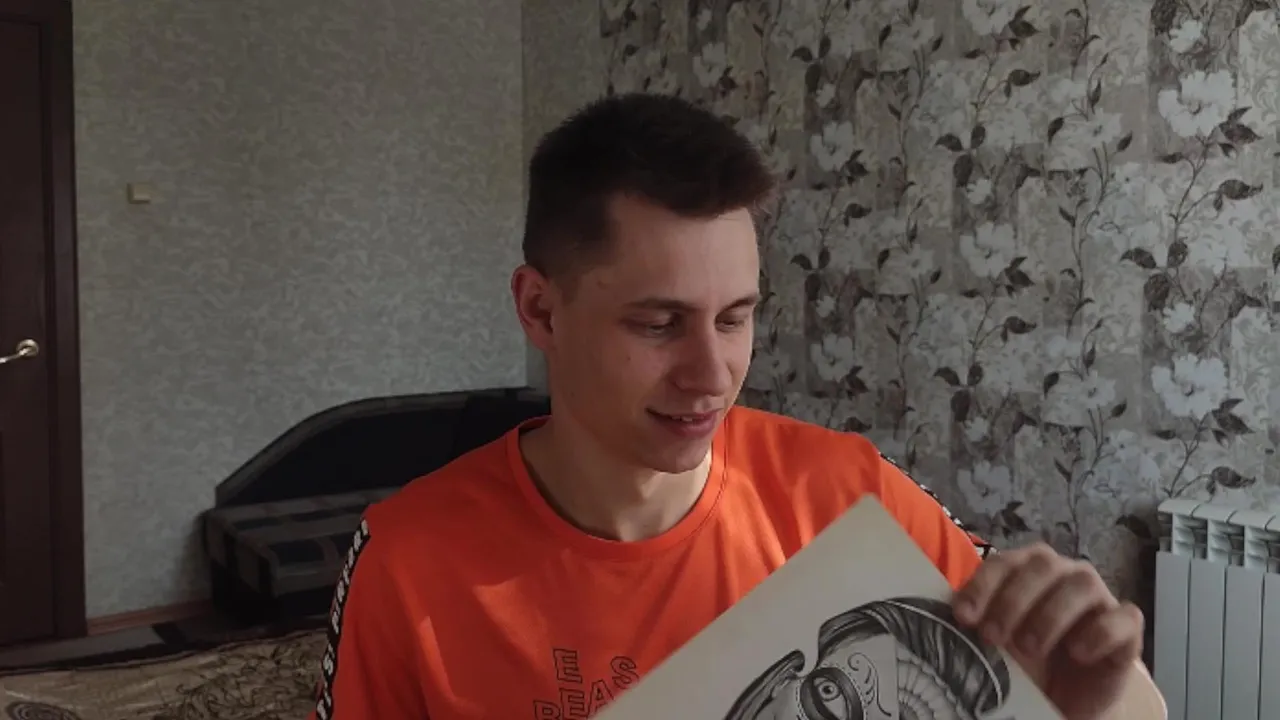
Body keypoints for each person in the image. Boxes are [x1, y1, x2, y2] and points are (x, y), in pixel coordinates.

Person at [308, 93, 1162, 720]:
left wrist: (1090, 697)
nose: (712, 374)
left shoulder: (847, 494)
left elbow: (1111, 700)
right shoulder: (411, 560)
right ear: (541, 310)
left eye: (735, 318)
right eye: (658, 324)